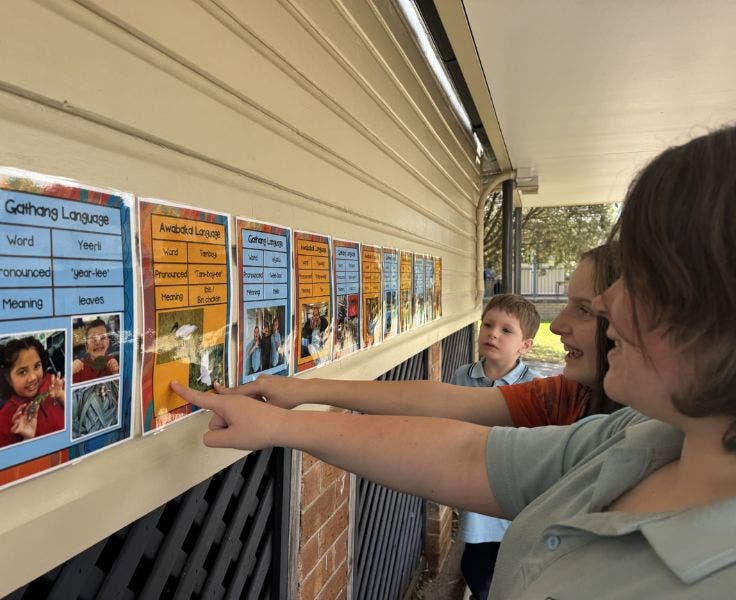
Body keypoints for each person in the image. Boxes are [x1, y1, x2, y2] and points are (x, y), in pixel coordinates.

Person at [172, 126, 736, 597]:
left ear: (715, 309)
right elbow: (465, 445)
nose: (603, 310)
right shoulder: (643, 437)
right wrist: (290, 411)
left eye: (638, 282)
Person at [451, 294, 539, 600]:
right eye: (487, 325)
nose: (493, 333)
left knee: (510, 569)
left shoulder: (534, 388)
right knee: (476, 565)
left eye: (506, 330)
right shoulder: (462, 377)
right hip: (475, 491)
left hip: (513, 496)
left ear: (525, 346)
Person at [0, 336, 65, 447]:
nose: (33, 378)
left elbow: (74, 415)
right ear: (8, 378)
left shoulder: (51, 381)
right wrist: (27, 439)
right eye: (22, 372)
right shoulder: (4, 420)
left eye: (36, 366)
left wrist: (61, 396)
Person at [72, 318, 119, 383]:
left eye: (102, 338)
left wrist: (115, 373)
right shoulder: (79, 369)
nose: (98, 343)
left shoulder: (113, 364)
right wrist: (70, 373)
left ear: (108, 343)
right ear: (86, 347)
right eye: (93, 339)